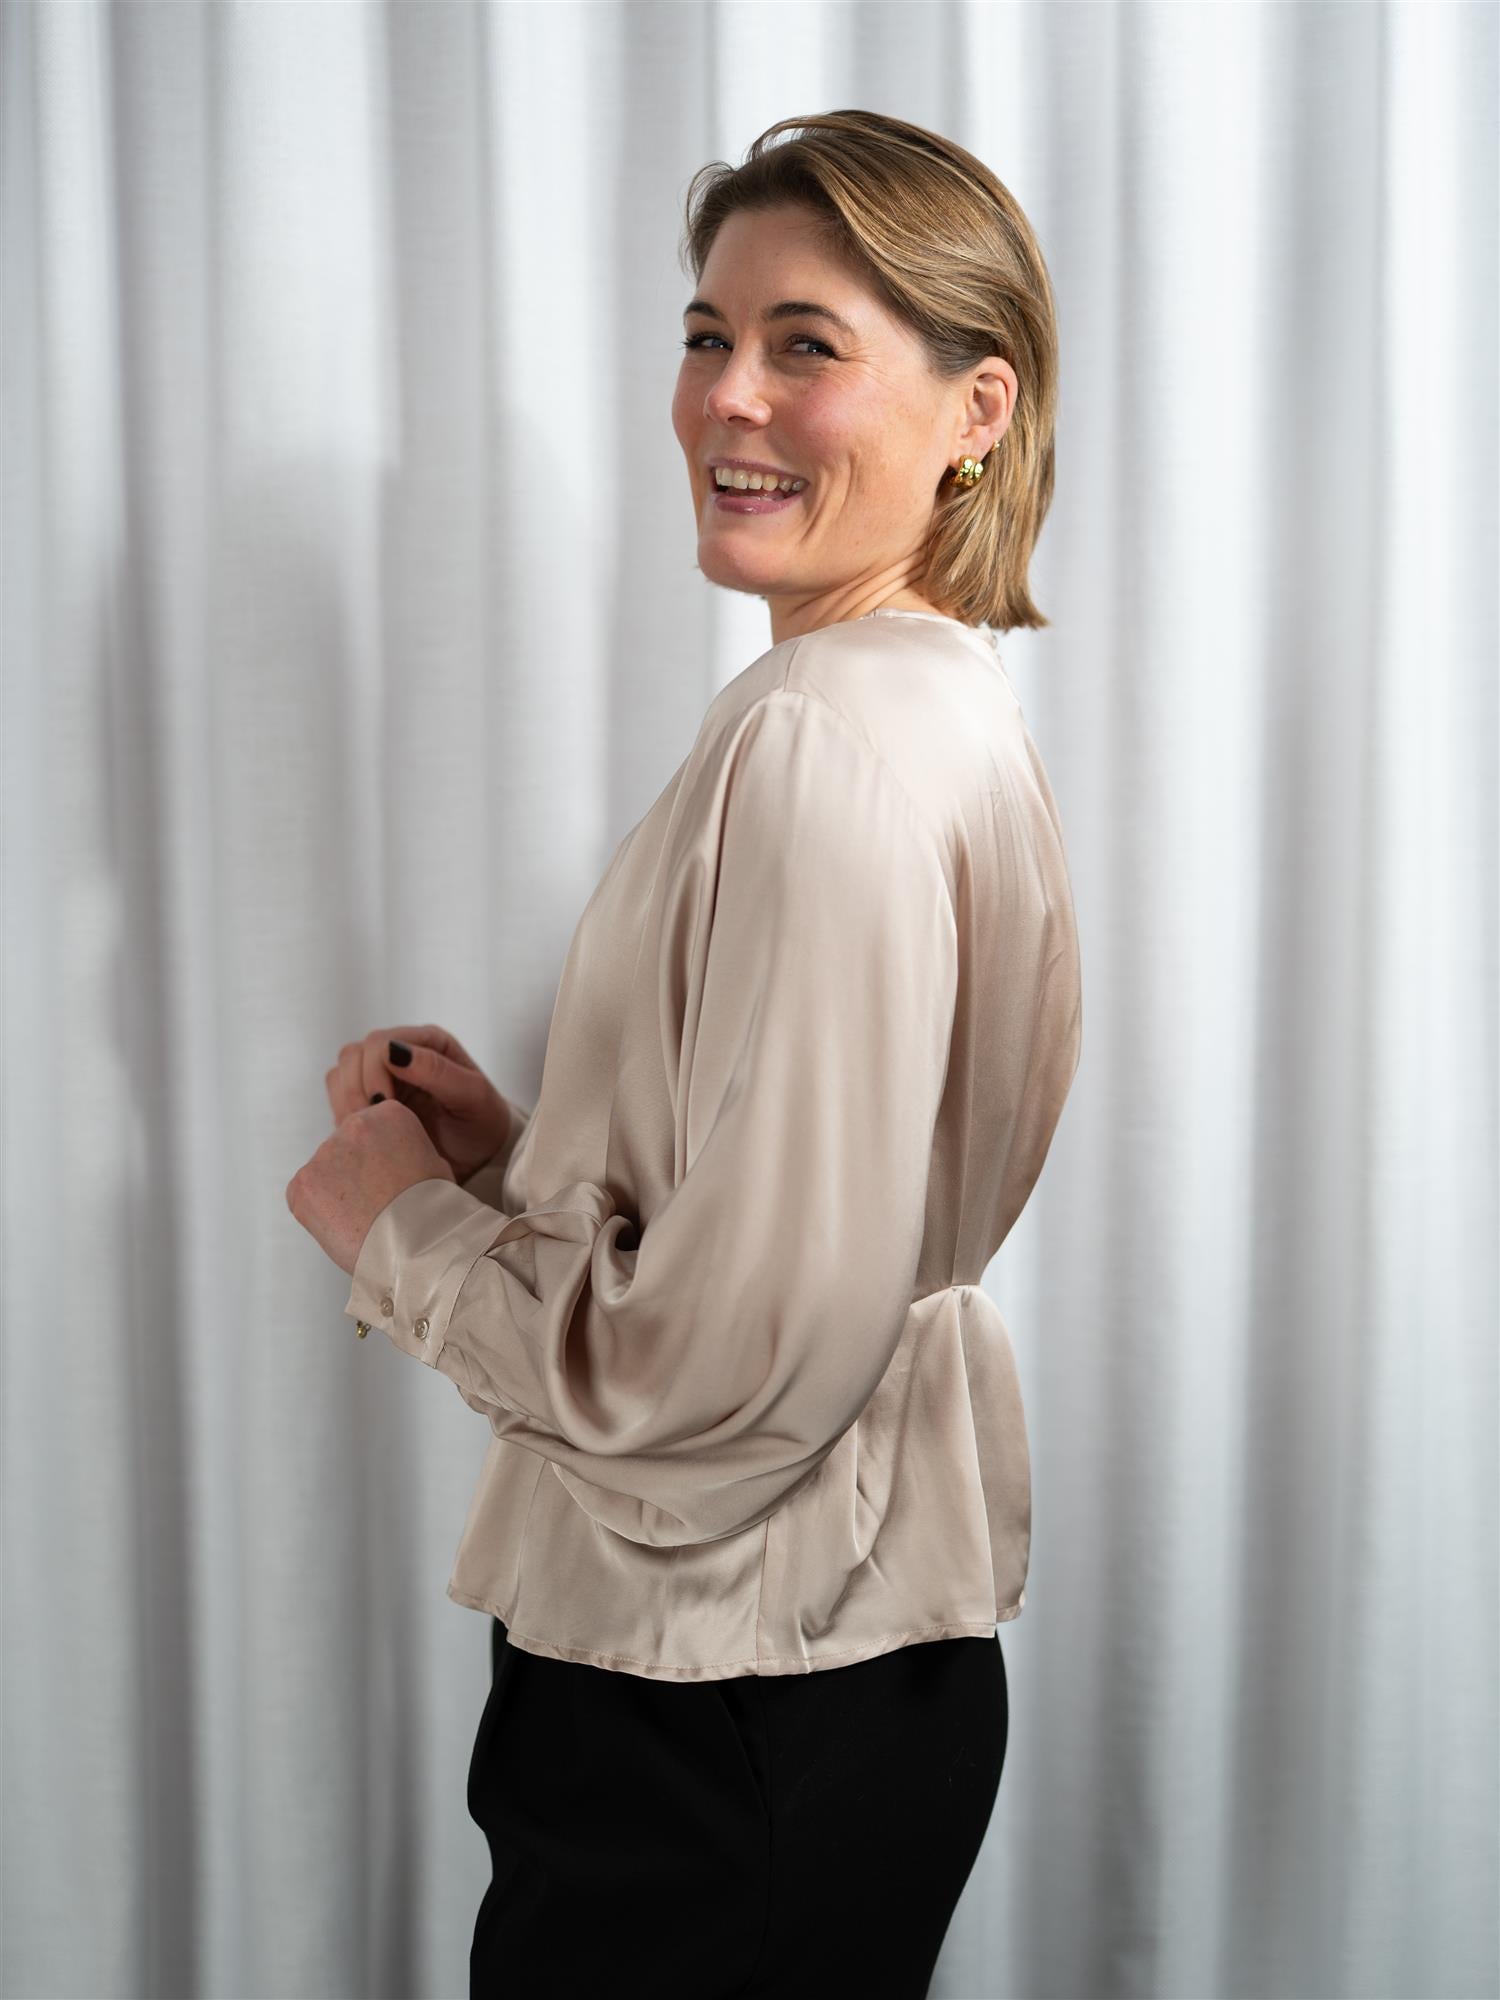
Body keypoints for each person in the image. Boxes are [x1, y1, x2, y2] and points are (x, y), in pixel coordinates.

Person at [317, 108, 1080, 2000]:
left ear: (977, 409)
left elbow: (721, 1388)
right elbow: (816, 1233)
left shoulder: (815, 738)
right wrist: (532, 1158)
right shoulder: (931, 701)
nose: (729, 396)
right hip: (815, 1673)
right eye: (706, 335)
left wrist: (403, 1229)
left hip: (717, 1688)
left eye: (806, 345)